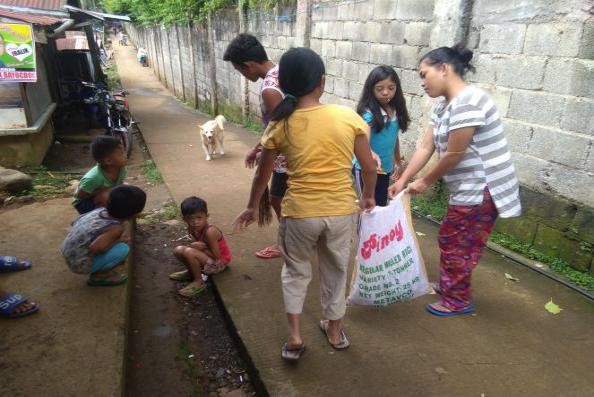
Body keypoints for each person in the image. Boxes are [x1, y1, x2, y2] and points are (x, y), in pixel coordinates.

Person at [233, 48, 377, 361]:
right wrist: (367, 195)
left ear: (283, 83)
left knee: (295, 272)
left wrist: (250, 205)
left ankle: (295, 338)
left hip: (299, 214)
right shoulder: (347, 117)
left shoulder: (279, 124)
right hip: (340, 211)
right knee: (336, 272)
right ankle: (335, 331)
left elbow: (264, 173)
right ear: (321, 82)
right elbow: (368, 166)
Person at [389, 43, 521, 316]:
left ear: (444, 69)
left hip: (483, 188)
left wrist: (425, 182)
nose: (422, 82)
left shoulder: (469, 101)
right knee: (454, 236)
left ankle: (457, 300)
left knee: (457, 239)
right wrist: (402, 180)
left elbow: (455, 153)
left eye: (424, 75)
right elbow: (427, 148)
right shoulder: (444, 108)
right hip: (468, 188)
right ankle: (452, 286)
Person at [223, 34, 286, 259]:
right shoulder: (284, 71)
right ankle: (290, 242)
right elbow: (276, 124)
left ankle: (288, 244)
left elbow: (281, 131)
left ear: (249, 65)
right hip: (294, 155)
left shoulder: (270, 88)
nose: (243, 75)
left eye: (241, 71)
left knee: (279, 200)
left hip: (287, 159)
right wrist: (258, 146)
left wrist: (265, 154)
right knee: (283, 200)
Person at [61, 185, 146, 287]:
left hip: (67, 251)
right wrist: (119, 240)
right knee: (123, 249)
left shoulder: (100, 210)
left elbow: (75, 222)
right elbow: (96, 248)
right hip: (78, 264)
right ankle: (98, 277)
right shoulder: (115, 228)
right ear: (135, 214)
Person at [354, 65, 410, 206]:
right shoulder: (368, 113)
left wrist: (397, 162)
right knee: (367, 205)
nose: (386, 93)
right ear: (371, 90)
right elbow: (363, 141)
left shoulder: (396, 111)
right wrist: (371, 153)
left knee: (380, 203)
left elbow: (393, 138)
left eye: (391, 88)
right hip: (365, 169)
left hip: (385, 168)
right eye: (380, 89)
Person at [170, 197, 232, 298]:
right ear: (185, 219)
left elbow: (217, 256)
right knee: (178, 250)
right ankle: (192, 272)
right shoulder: (192, 228)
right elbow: (197, 246)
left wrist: (200, 248)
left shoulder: (210, 232)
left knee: (189, 252)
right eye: (191, 218)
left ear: (206, 216)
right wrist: (195, 247)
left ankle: (199, 281)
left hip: (220, 263)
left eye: (199, 217)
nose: (195, 222)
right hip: (208, 258)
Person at [73, 135, 127, 214]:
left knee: (128, 190)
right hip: (84, 202)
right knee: (105, 196)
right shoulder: (93, 178)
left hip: (103, 196)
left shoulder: (121, 169)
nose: (125, 155)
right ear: (108, 161)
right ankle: (99, 219)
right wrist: (101, 191)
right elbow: (80, 195)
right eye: (121, 154)